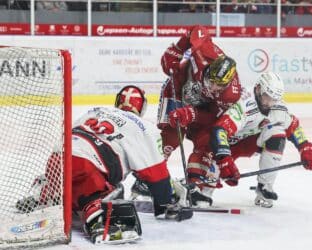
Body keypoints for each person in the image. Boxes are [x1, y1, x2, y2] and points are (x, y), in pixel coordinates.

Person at [16, 85, 193, 244]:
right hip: (88, 167)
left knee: (74, 180)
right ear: (142, 107)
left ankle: (48, 192)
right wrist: (165, 203)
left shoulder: (94, 110)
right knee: (108, 194)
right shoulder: (144, 128)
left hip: (57, 160)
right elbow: (157, 177)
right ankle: (96, 214)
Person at [205, 71, 312, 208]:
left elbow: (293, 126)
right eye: (267, 97)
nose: (269, 103)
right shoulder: (244, 103)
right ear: (258, 88)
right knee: (201, 196)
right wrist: (224, 160)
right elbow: (220, 131)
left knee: (277, 133)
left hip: (248, 142)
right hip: (222, 145)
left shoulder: (277, 106)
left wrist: (306, 148)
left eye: (274, 99)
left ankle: (265, 186)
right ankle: (205, 188)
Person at [157, 25, 242, 205]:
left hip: (202, 110)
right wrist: (177, 50)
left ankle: (193, 183)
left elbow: (213, 119)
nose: (211, 88)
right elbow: (196, 29)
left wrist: (192, 114)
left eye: (218, 86)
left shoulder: (231, 95)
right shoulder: (203, 51)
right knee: (171, 137)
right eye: (210, 81)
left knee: (207, 141)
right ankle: (147, 179)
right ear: (209, 68)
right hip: (178, 89)